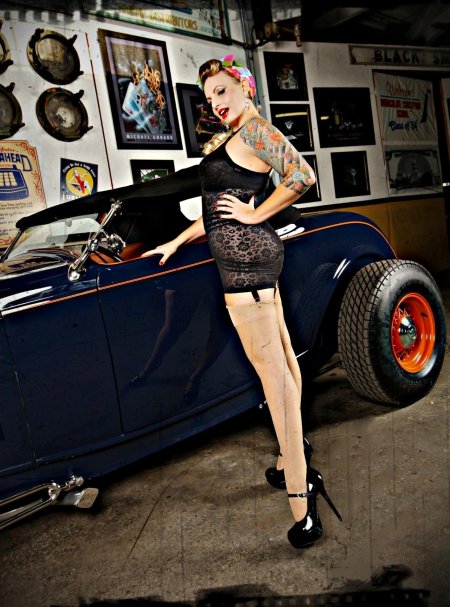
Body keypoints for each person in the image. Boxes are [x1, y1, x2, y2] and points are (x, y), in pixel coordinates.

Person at [142, 55, 341, 548]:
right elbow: (216, 213)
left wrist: (256, 215)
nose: (216, 102)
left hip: (248, 269)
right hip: (249, 269)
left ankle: (302, 500)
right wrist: (177, 240)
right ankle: (289, 460)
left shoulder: (255, 131)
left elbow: (302, 175)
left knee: (275, 383)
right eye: (210, 96)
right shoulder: (235, 137)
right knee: (286, 369)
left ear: (245, 87)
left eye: (223, 90)